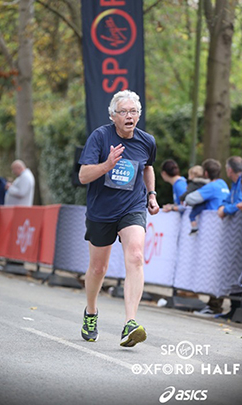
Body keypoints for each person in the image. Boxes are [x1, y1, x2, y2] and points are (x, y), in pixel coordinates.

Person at [78, 90, 159, 347]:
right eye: (123, 112)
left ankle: (130, 323)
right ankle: (91, 312)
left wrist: (152, 194)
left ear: (139, 115)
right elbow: (82, 176)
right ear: (113, 116)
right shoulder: (100, 137)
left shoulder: (147, 141)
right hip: (101, 210)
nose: (129, 116)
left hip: (132, 208)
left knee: (135, 255)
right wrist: (106, 165)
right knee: (98, 269)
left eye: (133, 111)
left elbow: (148, 166)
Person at [185, 158, 230, 317]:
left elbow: (190, 199)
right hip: (224, 230)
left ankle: (214, 306)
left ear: (205, 173)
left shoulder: (211, 186)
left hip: (212, 232)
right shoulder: (224, 184)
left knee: (213, 268)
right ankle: (215, 304)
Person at [215, 156, 242, 320]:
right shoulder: (235, 183)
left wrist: (226, 209)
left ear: (229, 169)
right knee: (234, 267)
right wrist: (223, 207)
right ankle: (234, 309)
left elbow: (239, 203)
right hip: (235, 234)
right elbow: (229, 201)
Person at [179, 165, 210, 235]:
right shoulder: (206, 183)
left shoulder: (193, 184)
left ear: (193, 175)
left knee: (192, 215)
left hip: (198, 204)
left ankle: (194, 228)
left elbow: (188, 192)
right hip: (206, 203)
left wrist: (182, 198)